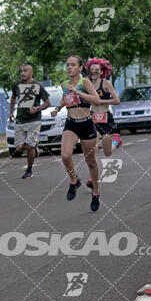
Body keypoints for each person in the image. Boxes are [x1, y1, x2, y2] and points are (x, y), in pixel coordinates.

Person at [51, 55, 102, 210]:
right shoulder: (64, 84)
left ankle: (96, 193)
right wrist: (58, 108)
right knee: (65, 156)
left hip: (86, 123)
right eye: (67, 65)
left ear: (80, 68)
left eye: (73, 65)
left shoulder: (84, 82)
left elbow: (96, 100)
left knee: (91, 162)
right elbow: (66, 98)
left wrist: (77, 92)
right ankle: (74, 181)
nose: (69, 67)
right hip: (71, 123)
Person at [85, 58, 122, 190]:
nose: (94, 71)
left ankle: (116, 142)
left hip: (106, 118)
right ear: (89, 70)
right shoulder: (87, 84)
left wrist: (102, 102)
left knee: (107, 153)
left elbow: (117, 100)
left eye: (97, 69)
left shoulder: (106, 84)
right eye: (92, 69)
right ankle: (93, 177)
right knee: (93, 148)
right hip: (93, 118)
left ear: (102, 71)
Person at [9, 64, 50, 178]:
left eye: (25, 71)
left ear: (31, 72)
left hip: (34, 120)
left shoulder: (38, 85)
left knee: (29, 146)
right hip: (20, 120)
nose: (22, 73)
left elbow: (47, 102)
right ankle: (35, 148)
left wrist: (37, 108)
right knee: (19, 148)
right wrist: (11, 113)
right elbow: (13, 98)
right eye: (21, 71)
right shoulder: (17, 85)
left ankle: (29, 170)